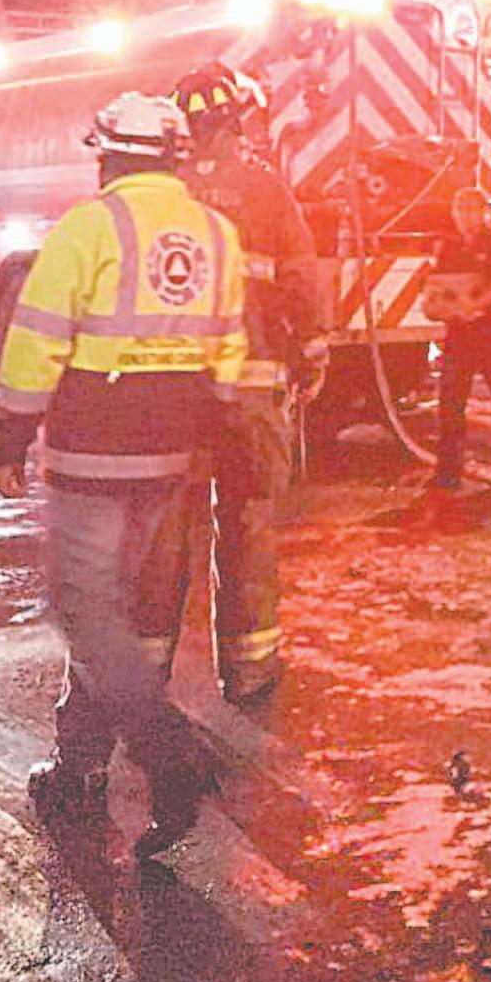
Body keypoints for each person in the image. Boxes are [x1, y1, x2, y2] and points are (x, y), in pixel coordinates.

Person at [0, 92, 245, 860]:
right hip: (173, 453)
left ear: (107, 156)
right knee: (132, 614)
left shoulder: (89, 226)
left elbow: (36, 339)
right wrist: (216, 426)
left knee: (85, 607)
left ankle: (168, 755)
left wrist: (12, 433)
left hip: (94, 451)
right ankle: (79, 765)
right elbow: (228, 348)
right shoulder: (217, 233)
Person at [174, 62, 327, 701]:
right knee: (246, 524)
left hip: (173, 394)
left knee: (162, 534)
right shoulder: (266, 191)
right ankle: (249, 667)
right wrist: (312, 355)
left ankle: (144, 674)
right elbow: (301, 279)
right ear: (236, 121)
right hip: (250, 390)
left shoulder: (164, 192)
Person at [427, 187, 491, 488]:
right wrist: (435, 305)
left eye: (471, 209)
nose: (465, 216)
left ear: (482, 212)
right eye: (460, 209)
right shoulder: (449, 246)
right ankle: (448, 471)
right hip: (460, 333)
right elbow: (437, 283)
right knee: (450, 400)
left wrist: (476, 305)